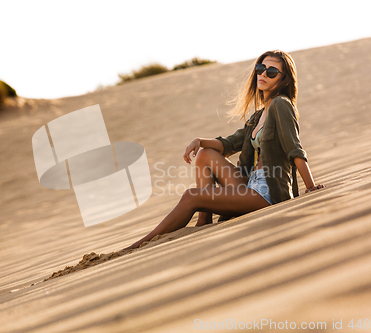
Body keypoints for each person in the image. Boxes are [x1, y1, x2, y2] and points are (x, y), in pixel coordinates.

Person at [124, 50, 324, 250]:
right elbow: (229, 144)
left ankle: (140, 245)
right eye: (260, 69)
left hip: (268, 193)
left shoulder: (282, 104)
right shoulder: (258, 116)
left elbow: (294, 148)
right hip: (250, 184)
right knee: (204, 154)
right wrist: (199, 140)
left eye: (271, 72)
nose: (263, 74)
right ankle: (204, 220)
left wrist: (310, 186)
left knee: (191, 196)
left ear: (285, 80)